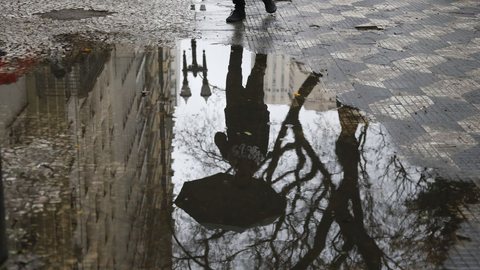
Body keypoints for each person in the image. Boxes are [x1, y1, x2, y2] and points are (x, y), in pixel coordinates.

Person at [215, 45, 270, 186]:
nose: (242, 174)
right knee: (258, 71)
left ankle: (236, 44)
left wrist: (225, 149)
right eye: (245, 176)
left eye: (239, 176)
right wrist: (264, 111)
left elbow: (219, 136)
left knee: (233, 70)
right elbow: (265, 130)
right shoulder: (260, 156)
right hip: (255, 108)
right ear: (251, 176)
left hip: (235, 107)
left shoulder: (230, 156)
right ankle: (263, 41)